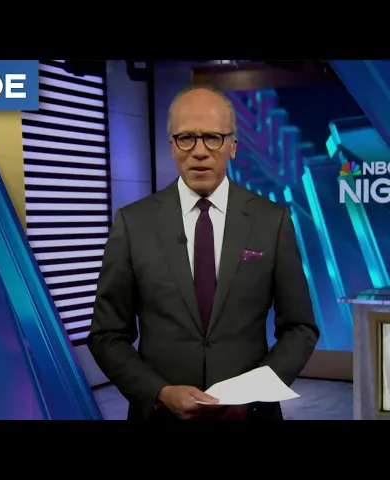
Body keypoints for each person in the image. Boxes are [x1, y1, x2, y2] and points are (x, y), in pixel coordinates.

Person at [87, 85, 319, 421]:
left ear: (233, 145)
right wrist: (158, 392)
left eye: (213, 137)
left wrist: (254, 394)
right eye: (186, 138)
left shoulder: (273, 221)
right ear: (171, 146)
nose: (199, 151)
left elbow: (300, 327)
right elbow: (107, 334)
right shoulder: (133, 223)